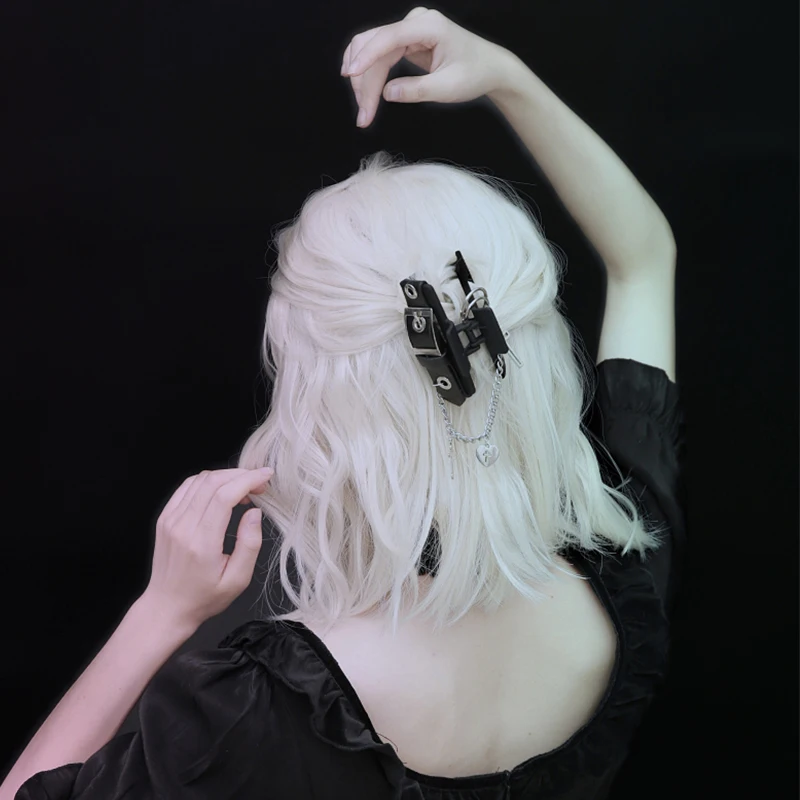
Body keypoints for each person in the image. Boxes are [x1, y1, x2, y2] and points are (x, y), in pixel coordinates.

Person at [3, 7, 685, 799]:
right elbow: (644, 257)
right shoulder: (629, 555)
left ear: (320, 393)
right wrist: (507, 76)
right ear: (519, 342)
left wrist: (162, 611)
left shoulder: (255, 706)